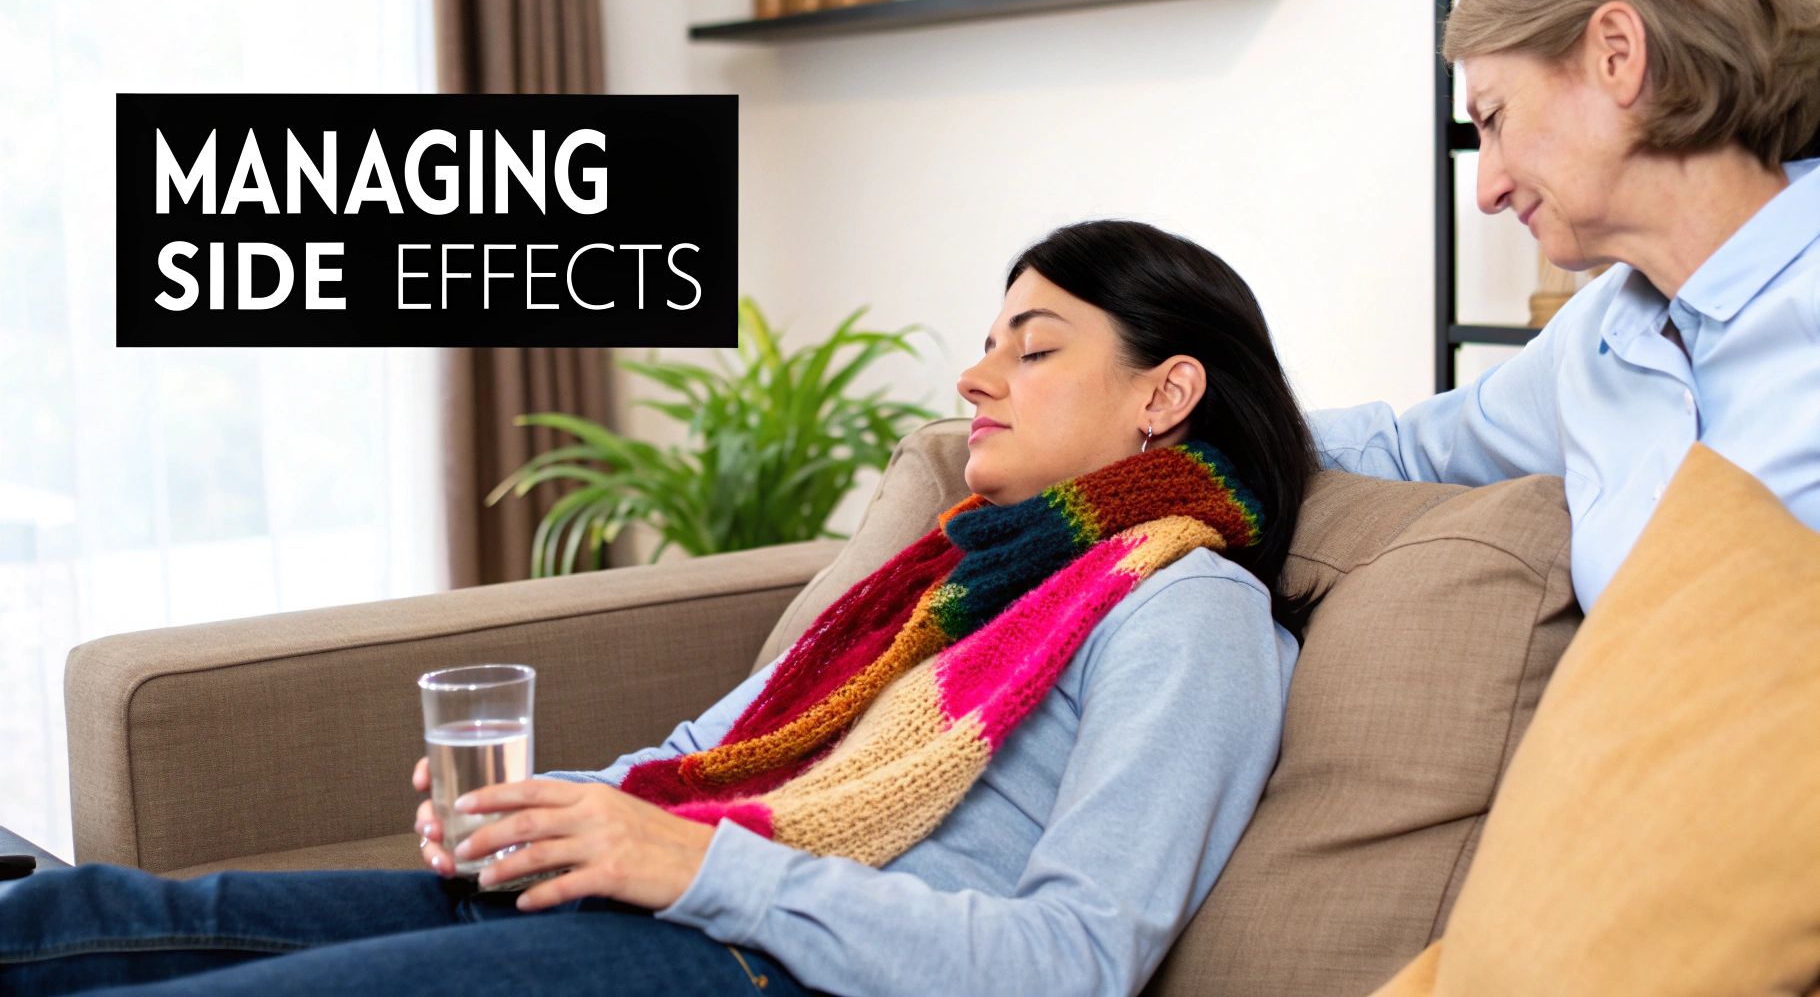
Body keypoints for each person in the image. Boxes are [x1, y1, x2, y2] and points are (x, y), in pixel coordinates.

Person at [0, 219, 1316, 997]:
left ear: (1166, 392)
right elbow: (714, 747)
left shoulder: (1187, 613)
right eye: (988, 339)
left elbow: (1071, 964)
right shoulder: (957, 574)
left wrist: (695, 866)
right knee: (73, 921)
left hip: (761, 968)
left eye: (1034, 345)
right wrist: (552, 817)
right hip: (661, 907)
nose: (975, 375)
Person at [1314, 0, 1820, 612]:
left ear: (1616, 54)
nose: (1487, 190)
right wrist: (1187, 421)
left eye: (1494, 118)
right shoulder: (1595, 340)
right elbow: (1405, 451)